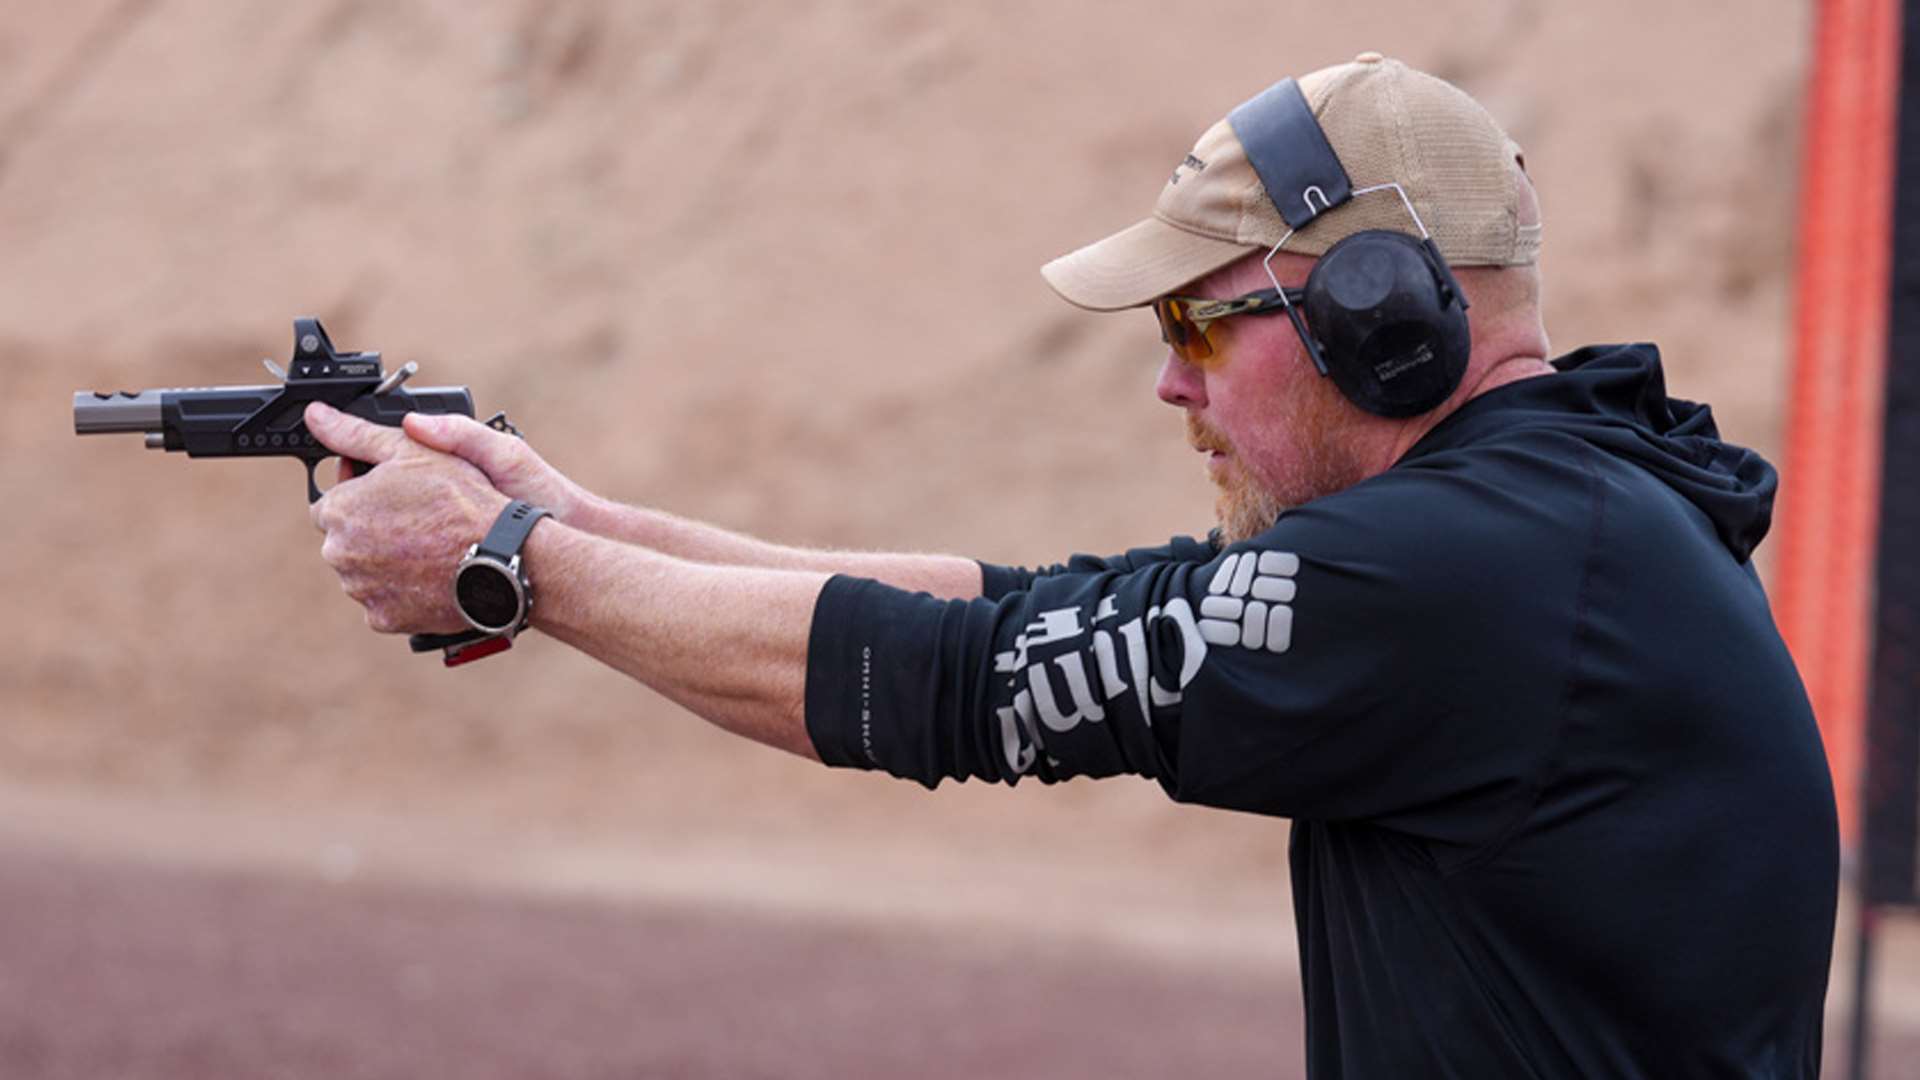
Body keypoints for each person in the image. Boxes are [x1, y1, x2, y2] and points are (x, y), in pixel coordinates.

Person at [306, 53, 1839, 1078]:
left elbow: (955, 686)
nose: (1170, 384)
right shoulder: (1535, 533)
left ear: (1374, 314)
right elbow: (1027, 610)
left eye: (1194, 321)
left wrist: (514, 569)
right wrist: (576, 520)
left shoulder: (1467, 570)